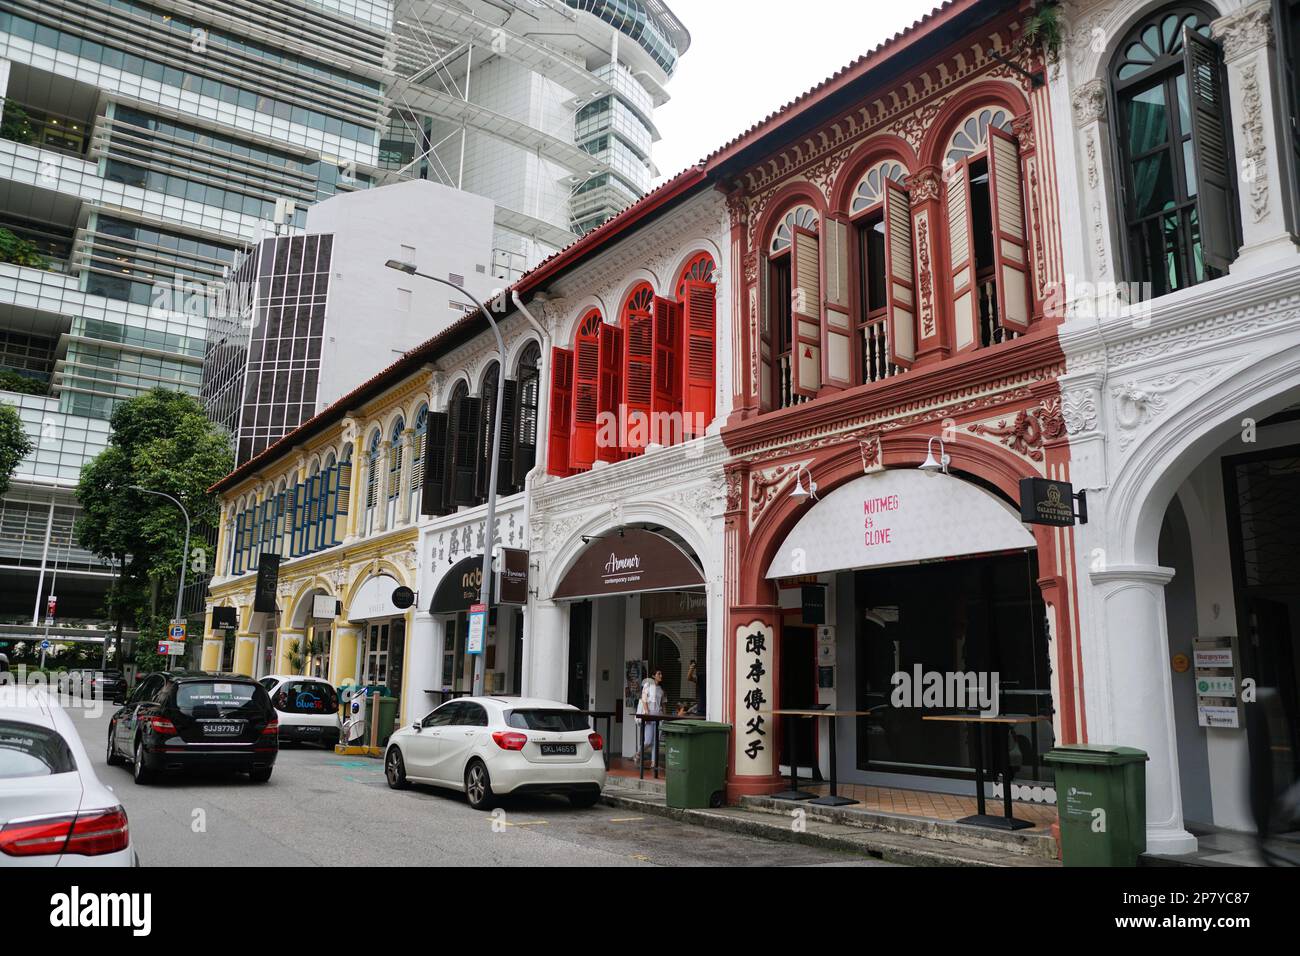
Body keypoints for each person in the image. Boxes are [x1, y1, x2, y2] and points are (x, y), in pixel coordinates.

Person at [637, 669, 665, 767]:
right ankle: (638, 753)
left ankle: (654, 762)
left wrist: (664, 716)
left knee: (656, 741)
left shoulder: (661, 689)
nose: (661, 675)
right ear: (653, 676)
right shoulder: (647, 686)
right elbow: (644, 700)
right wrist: (647, 714)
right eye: (659, 673)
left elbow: (663, 704)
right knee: (648, 741)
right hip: (649, 715)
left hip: (659, 715)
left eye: (661, 674)